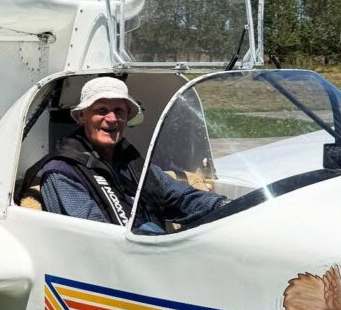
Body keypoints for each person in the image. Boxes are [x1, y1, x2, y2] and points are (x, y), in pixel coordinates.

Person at [24, 77, 229, 234]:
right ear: (81, 116)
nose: (112, 119)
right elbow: (94, 235)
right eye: (101, 110)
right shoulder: (63, 171)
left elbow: (181, 197)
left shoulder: (131, 163)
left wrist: (226, 207)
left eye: (119, 111)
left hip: (149, 252)